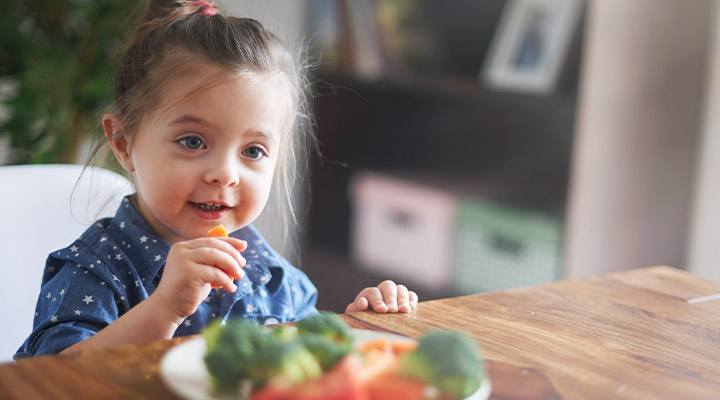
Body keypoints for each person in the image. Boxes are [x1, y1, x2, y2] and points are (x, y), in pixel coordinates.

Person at [15, 0, 417, 359]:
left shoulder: (270, 274)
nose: (225, 173)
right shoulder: (95, 269)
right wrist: (165, 309)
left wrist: (360, 327)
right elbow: (48, 380)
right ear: (123, 143)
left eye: (253, 151)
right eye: (193, 141)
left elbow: (306, 363)